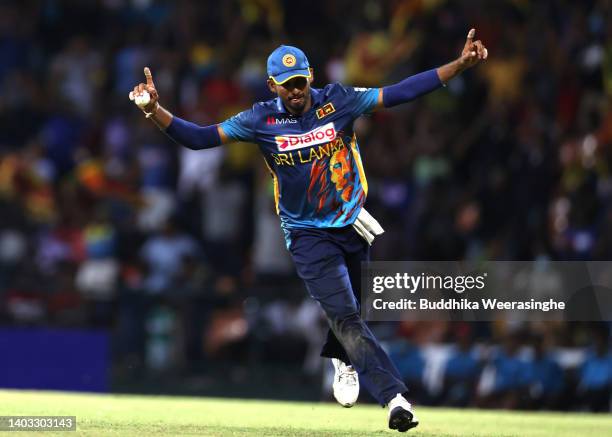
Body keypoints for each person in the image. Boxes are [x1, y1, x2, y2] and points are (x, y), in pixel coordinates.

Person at [130, 28, 487, 432]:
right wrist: (154, 110)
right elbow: (199, 138)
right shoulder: (260, 119)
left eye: (300, 81)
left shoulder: (339, 100)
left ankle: (341, 356)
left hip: (353, 224)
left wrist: (458, 67)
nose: (295, 91)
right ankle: (395, 400)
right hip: (306, 235)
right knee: (347, 317)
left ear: (310, 76)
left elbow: (400, 92)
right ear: (272, 86)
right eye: (286, 85)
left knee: (354, 313)